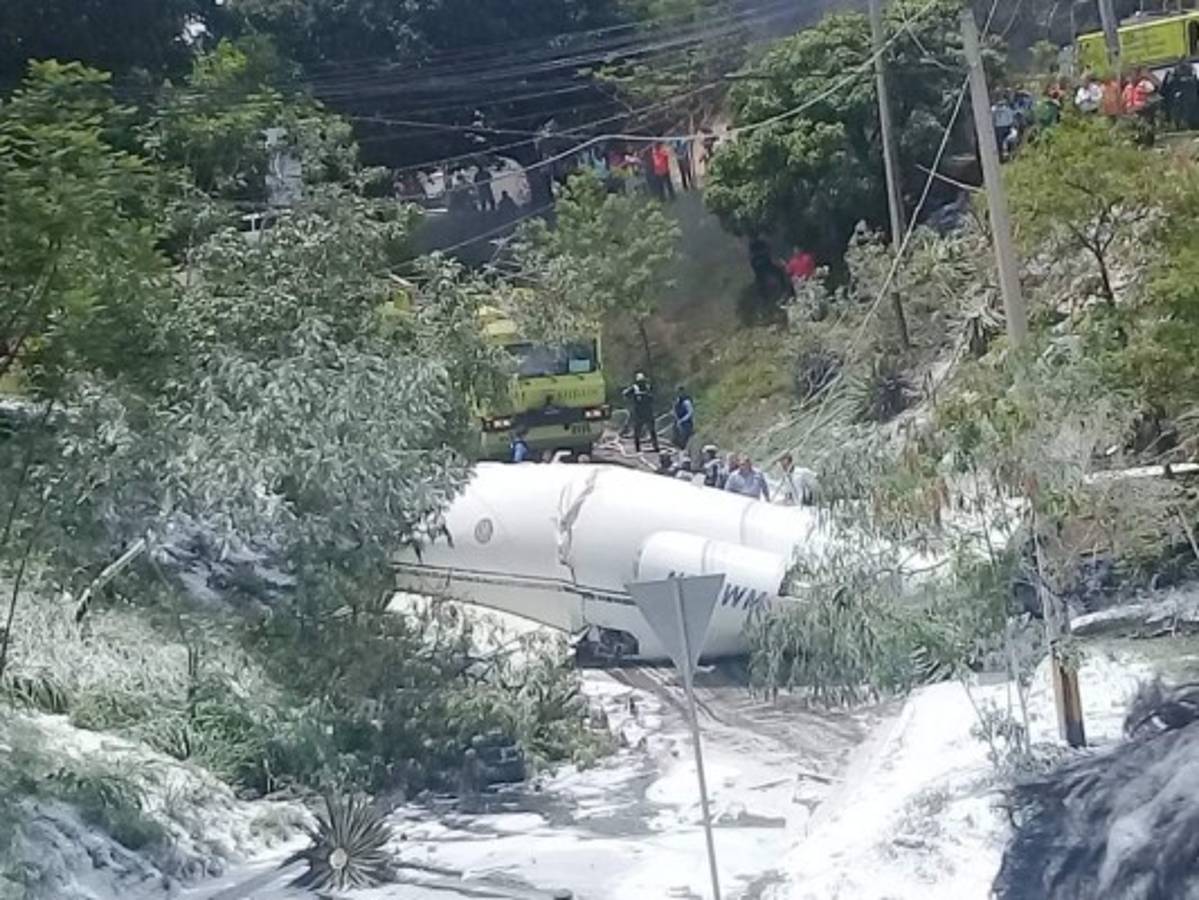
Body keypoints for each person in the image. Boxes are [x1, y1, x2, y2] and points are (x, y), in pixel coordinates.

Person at [622, 372, 660, 453]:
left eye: (642, 381)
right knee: (637, 430)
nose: (641, 383)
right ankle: (637, 447)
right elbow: (625, 394)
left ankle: (655, 446)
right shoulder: (634, 388)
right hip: (638, 413)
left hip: (648, 412)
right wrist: (632, 398)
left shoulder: (648, 387)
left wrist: (648, 396)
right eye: (640, 382)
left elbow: (654, 397)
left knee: (652, 430)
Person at [1163, 61, 1199, 129]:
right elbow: (1163, 94)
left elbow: (1163, 93)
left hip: (1189, 121)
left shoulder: (1172, 84)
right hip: (1188, 121)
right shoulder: (1173, 84)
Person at [991, 94, 1017, 161]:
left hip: (1002, 127)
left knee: (1002, 142)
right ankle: (1002, 155)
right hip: (1001, 127)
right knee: (1001, 142)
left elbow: (1010, 119)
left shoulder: (995, 109)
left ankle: (1004, 155)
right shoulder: (997, 109)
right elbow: (1010, 119)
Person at [673, 386, 695, 450]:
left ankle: (685, 448)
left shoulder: (687, 401)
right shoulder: (677, 401)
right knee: (676, 436)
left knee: (685, 437)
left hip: (686, 423)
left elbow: (690, 412)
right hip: (678, 421)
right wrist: (677, 419)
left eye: (680, 392)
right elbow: (674, 410)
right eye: (678, 392)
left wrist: (682, 420)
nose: (679, 393)